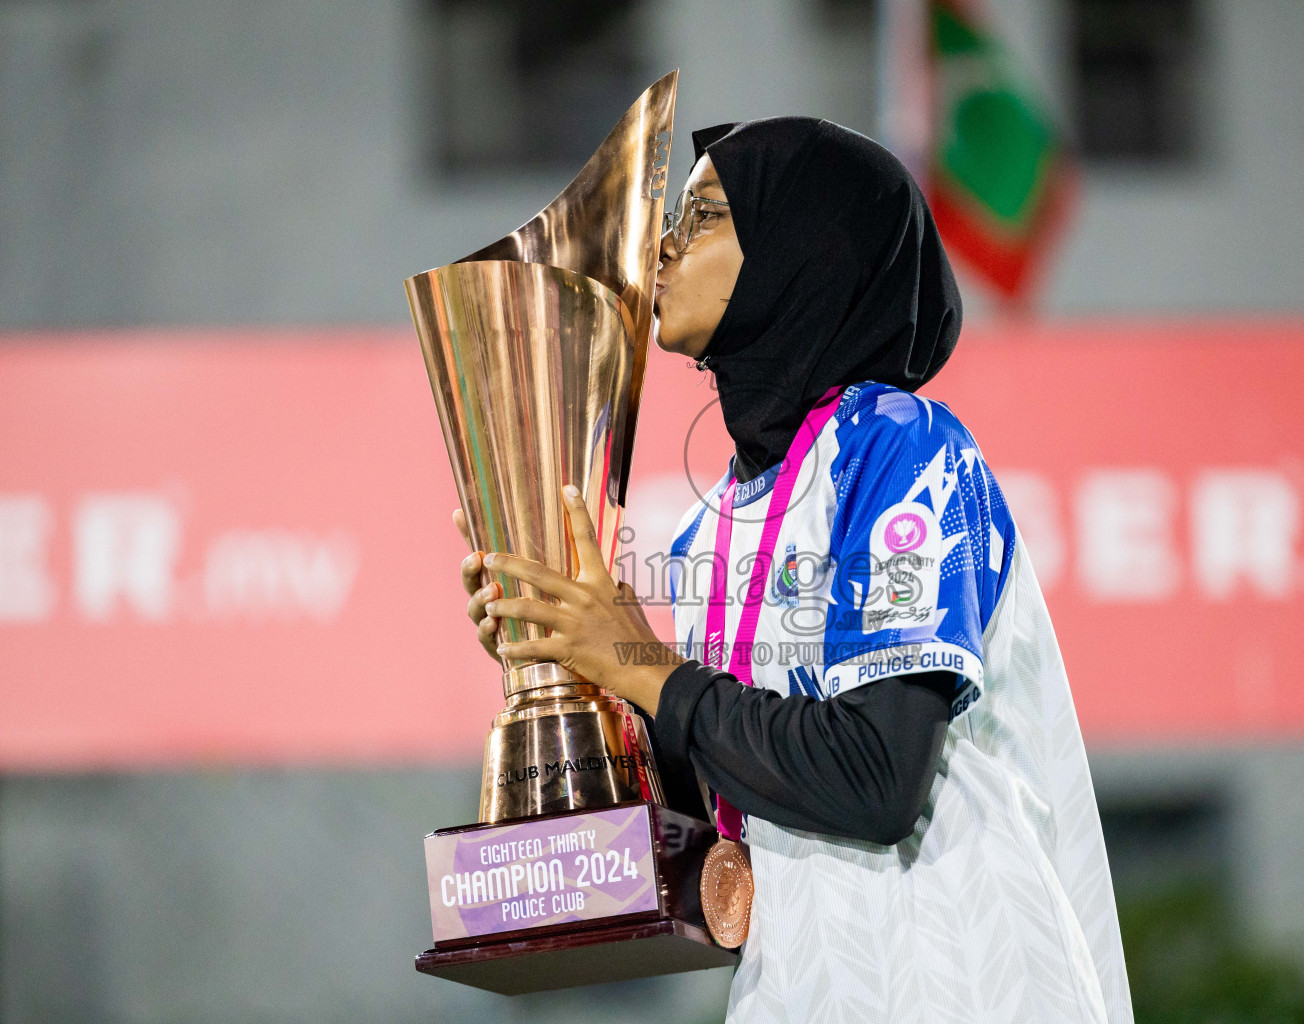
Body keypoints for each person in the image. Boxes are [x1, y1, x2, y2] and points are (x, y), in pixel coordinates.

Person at [454, 118, 1132, 1024]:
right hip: (798, 991)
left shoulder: (902, 449)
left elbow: (876, 778)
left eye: (701, 217)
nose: (660, 246)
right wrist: (566, 673)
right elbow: (721, 813)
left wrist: (638, 663)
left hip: (962, 983)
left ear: (796, 252)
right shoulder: (709, 529)